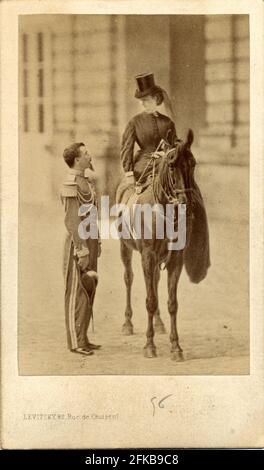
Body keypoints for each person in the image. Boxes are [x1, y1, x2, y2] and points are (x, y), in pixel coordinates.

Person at [61, 142, 101, 356]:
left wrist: (98, 243)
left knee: (90, 286)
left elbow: (93, 215)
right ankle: (76, 342)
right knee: (77, 291)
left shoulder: (87, 181)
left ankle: (83, 337)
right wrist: (82, 249)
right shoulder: (70, 183)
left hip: (91, 241)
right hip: (79, 244)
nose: (89, 155)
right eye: (86, 153)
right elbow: (72, 220)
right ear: (77, 159)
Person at [120, 73, 180, 187]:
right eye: (141, 100)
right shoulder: (134, 122)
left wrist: (164, 153)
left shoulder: (167, 122)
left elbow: (174, 146)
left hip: (164, 162)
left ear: (155, 99)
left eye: (146, 100)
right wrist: (129, 173)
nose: (142, 103)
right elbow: (126, 149)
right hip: (143, 164)